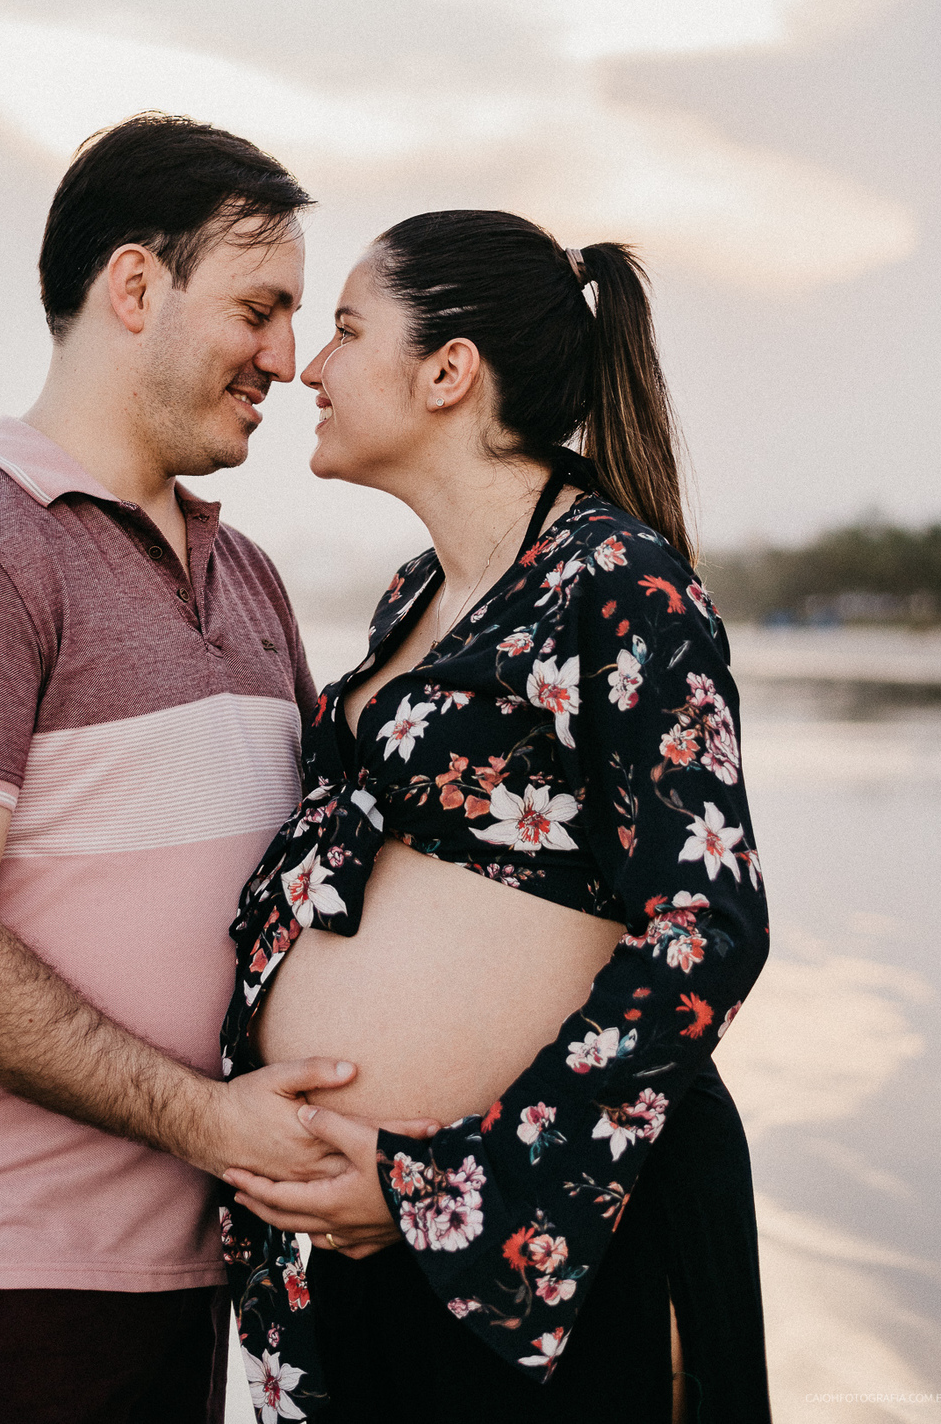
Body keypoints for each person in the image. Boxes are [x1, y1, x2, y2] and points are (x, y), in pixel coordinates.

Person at [0, 113, 368, 1424]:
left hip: (186, 1255)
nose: (287, 361)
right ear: (136, 287)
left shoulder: (245, 576)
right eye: (260, 306)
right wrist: (205, 1118)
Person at [219, 212, 773, 1423]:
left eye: (349, 329)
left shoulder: (620, 586)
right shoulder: (415, 594)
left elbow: (707, 928)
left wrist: (449, 1189)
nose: (310, 364)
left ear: (449, 369)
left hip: (546, 1259)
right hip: (353, 1253)